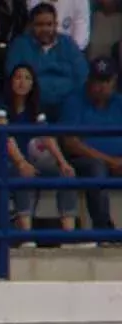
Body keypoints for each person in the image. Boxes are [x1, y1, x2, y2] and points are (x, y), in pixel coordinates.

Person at [0, 63, 78, 237]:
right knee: (20, 173)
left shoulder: (35, 108)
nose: (22, 82)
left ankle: (70, 235)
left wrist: (63, 162)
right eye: (18, 77)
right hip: (0, 161)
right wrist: (21, 162)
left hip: (27, 160)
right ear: (10, 82)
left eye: (27, 78)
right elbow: (5, 136)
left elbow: (47, 136)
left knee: (67, 175)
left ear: (33, 84)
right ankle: (25, 235)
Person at [62, 58, 122, 238]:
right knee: (96, 169)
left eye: (106, 81)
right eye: (97, 81)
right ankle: (104, 230)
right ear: (89, 80)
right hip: (86, 161)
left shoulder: (119, 102)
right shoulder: (74, 100)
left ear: (114, 81)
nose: (102, 86)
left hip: (118, 160)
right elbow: (71, 142)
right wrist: (109, 160)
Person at [6, 3, 86, 119]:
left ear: (56, 25)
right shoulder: (19, 45)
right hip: (32, 106)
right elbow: (12, 77)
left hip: (67, 106)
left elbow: (82, 77)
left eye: (49, 24)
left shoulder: (68, 44)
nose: (45, 29)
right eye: (39, 25)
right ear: (31, 25)